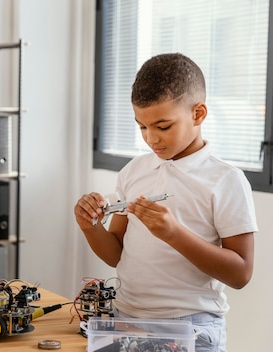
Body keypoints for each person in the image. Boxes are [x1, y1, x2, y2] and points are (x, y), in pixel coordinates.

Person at [74, 53, 257, 352]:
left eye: (163, 126)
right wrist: (90, 226)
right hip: (127, 319)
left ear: (198, 114)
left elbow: (240, 274)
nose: (151, 139)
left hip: (193, 328)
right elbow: (116, 255)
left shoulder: (225, 179)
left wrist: (173, 233)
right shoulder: (133, 171)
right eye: (142, 127)